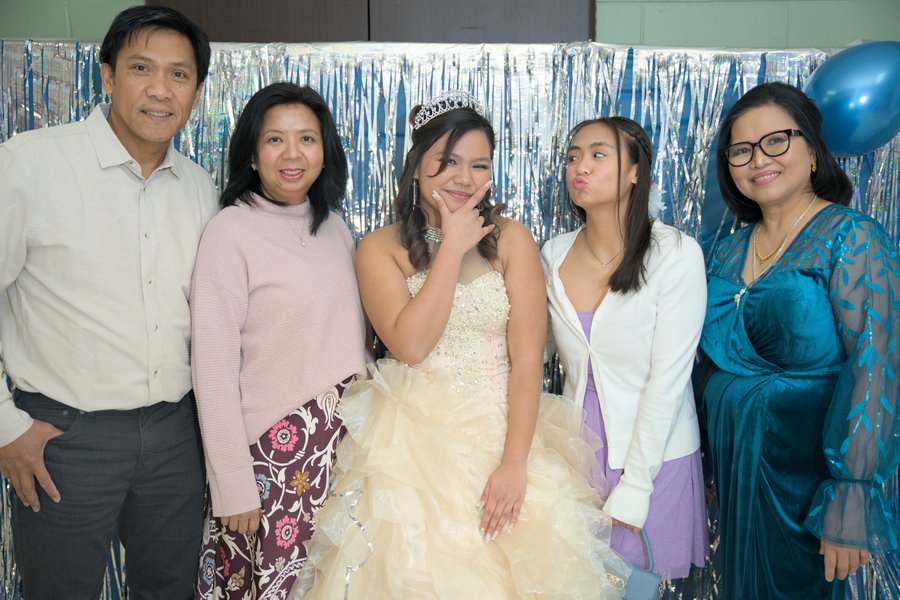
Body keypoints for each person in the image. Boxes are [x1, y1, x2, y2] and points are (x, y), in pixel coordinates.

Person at [290, 91, 630, 599]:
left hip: (501, 436)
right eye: (447, 161)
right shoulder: (379, 247)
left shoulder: (512, 239)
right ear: (417, 166)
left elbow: (527, 362)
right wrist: (451, 246)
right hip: (410, 449)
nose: (464, 178)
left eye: (479, 165)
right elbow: (410, 345)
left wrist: (514, 465)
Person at [0, 6, 216, 599]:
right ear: (107, 75)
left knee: (169, 589)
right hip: (64, 436)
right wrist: (5, 426)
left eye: (179, 74)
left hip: (175, 435)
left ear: (196, 92)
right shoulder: (29, 164)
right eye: (141, 68)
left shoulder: (199, 188)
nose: (160, 89)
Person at [697, 81, 899, 599]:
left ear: (812, 150)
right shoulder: (730, 250)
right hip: (736, 477)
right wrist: (704, 462)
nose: (758, 160)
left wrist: (851, 493)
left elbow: (875, 366)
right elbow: (707, 363)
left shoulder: (852, 237)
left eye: (776, 141)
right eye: (741, 150)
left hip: (806, 484)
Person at [190, 82, 367, 598]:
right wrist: (232, 484)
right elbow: (213, 367)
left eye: (307, 139)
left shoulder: (336, 229)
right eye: (275, 139)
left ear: (324, 151)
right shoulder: (230, 231)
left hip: (341, 451)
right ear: (252, 153)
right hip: (270, 458)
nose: (293, 154)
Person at [542, 116, 709, 582]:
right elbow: (535, 351)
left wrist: (637, 484)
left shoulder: (676, 253)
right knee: (573, 583)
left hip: (653, 453)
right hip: (577, 449)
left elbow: (669, 380)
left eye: (598, 154)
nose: (580, 167)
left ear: (636, 171)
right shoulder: (553, 254)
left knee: (635, 584)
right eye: (573, 156)